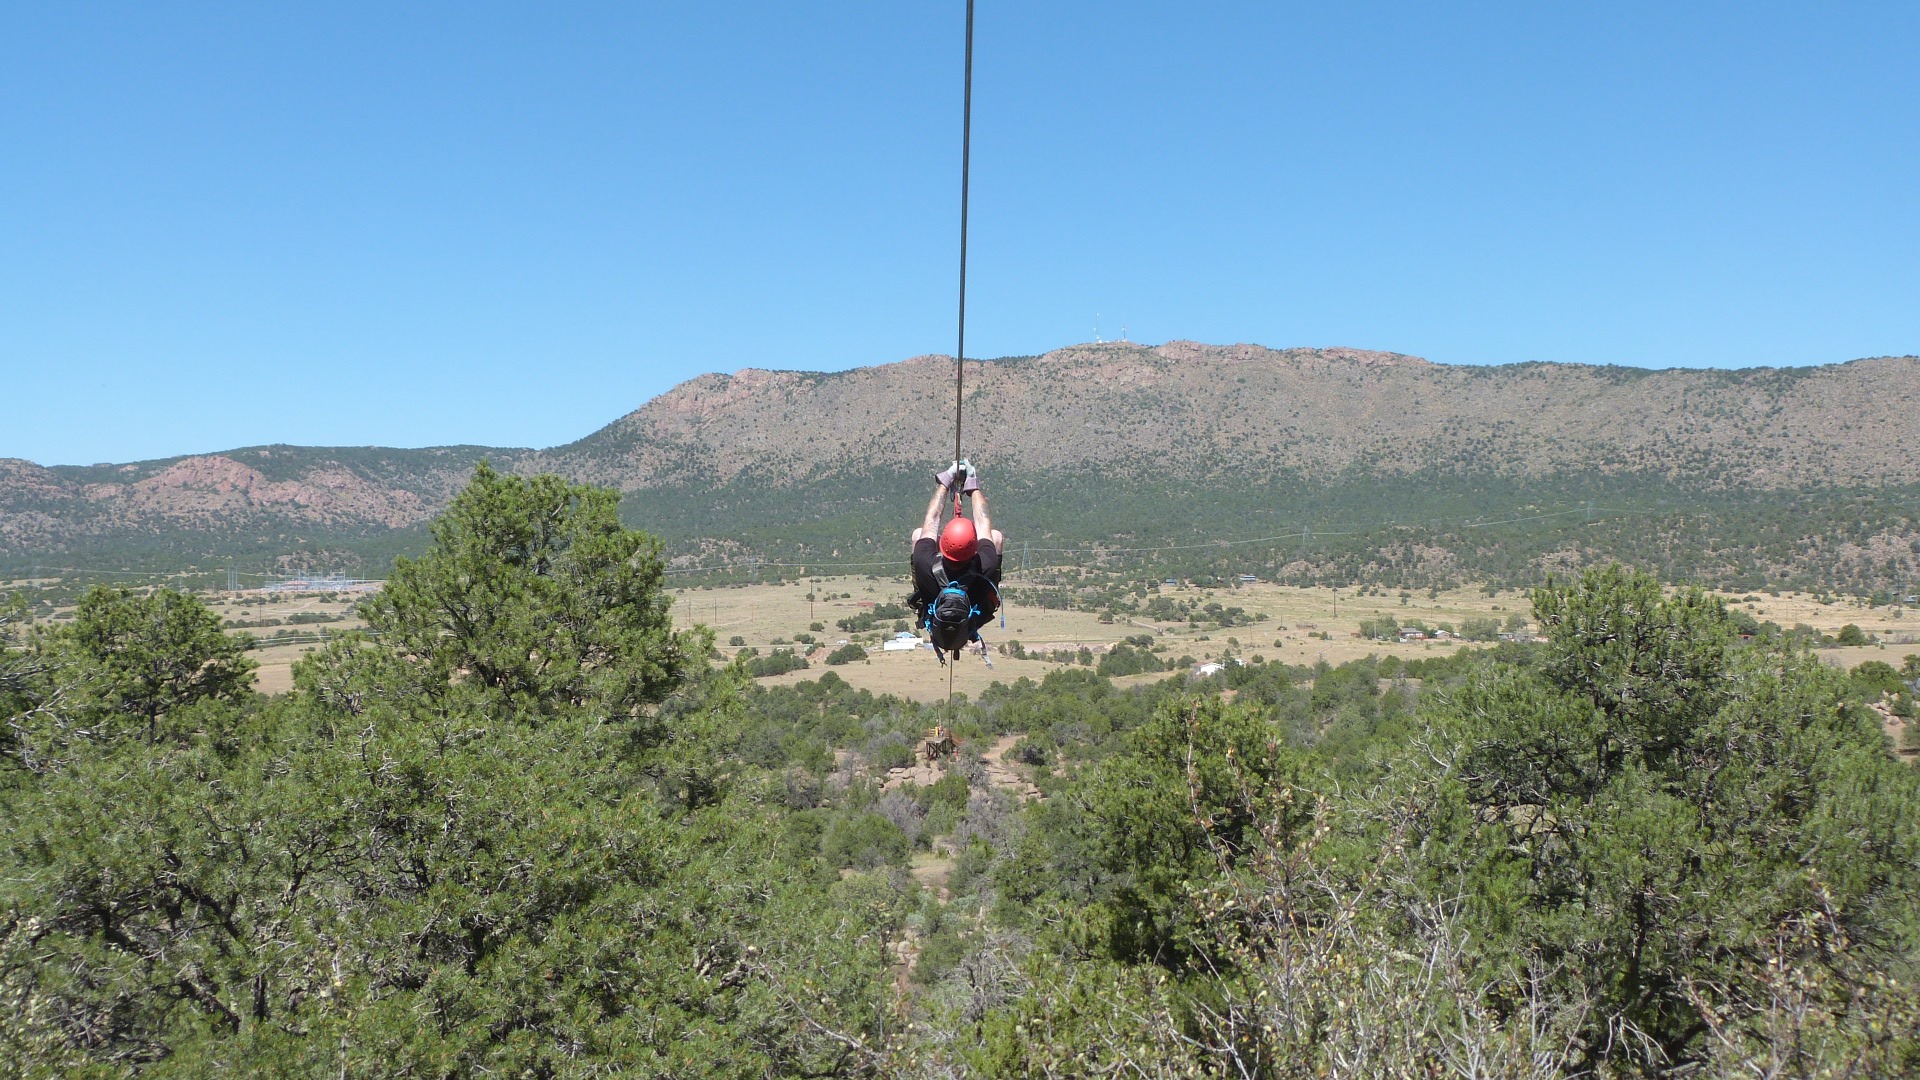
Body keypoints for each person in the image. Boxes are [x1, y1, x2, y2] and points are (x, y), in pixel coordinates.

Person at [910, 459, 1004, 662]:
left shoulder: (924, 562)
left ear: (943, 545)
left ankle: (920, 585)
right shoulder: (985, 564)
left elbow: (933, 519)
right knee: (995, 536)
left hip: (934, 604)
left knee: (920, 534)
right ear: (974, 549)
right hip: (970, 617)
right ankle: (992, 586)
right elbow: (983, 521)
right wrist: (972, 483)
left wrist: (945, 481)